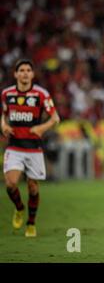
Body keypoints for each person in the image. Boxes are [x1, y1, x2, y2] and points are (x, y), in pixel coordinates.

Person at [1, 59, 60, 237]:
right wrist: (3, 125)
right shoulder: (6, 94)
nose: (25, 73)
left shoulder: (41, 94)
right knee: (11, 184)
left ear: (32, 74)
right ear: (16, 74)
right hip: (14, 147)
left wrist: (41, 128)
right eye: (22, 70)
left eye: (28, 70)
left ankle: (31, 223)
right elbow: (3, 115)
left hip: (34, 148)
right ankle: (19, 208)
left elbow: (55, 118)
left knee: (33, 188)